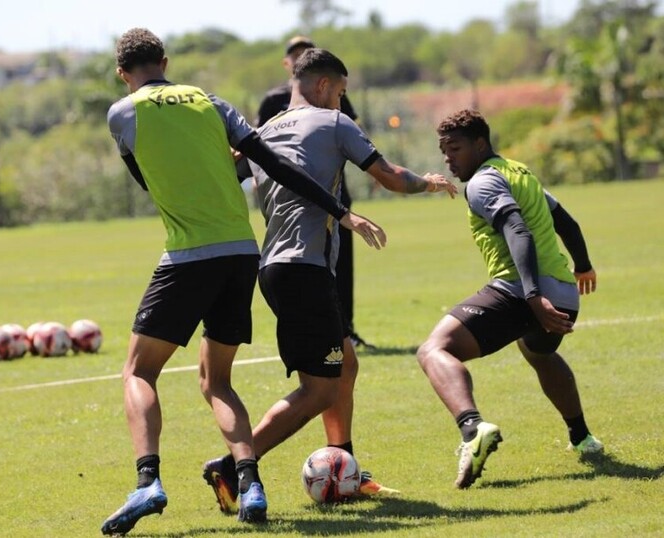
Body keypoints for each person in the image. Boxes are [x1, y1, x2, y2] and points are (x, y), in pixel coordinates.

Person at [100, 28, 386, 536]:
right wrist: (339, 210)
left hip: (188, 254)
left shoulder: (123, 113)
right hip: (241, 254)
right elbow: (273, 162)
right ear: (166, 60)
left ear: (123, 73)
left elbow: (144, 179)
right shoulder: (213, 103)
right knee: (217, 380)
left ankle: (147, 482)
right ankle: (249, 483)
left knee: (138, 372)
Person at [202, 48, 457, 514]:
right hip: (305, 269)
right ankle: (232, 465)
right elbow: (389, 177)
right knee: (318, 390)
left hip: (276, 266)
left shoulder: (262, 132)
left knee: (346, 365)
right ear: (323, 86)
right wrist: (428, 182)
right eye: (340, 92)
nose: (341, 101)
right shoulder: (335, 123)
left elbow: (221, 178)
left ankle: (345, 465)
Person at [416, 109, 604, 490]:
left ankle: (472, 429)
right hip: (565, 296)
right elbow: (566, 221)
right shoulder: (519, 172)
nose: (448, 159)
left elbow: (517, 229)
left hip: (525, 292)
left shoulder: (482, 183)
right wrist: (583, 266)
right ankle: (582, 437)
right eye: (443, 151)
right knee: (537, 351)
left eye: (455, 149)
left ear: (480, 144)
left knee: (434, 349)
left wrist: (532, 296)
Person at [256, 35, 373, 349]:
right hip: (289, 201)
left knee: (338, 264)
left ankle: (345, 330)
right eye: (295, 54)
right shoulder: (273, 102)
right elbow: (256, 150)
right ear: (287, 63)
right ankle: (327, 340)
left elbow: (352, 134)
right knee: (307, 265)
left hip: (335, 199)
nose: (300, 58)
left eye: (306, 52)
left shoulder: (334, 99)